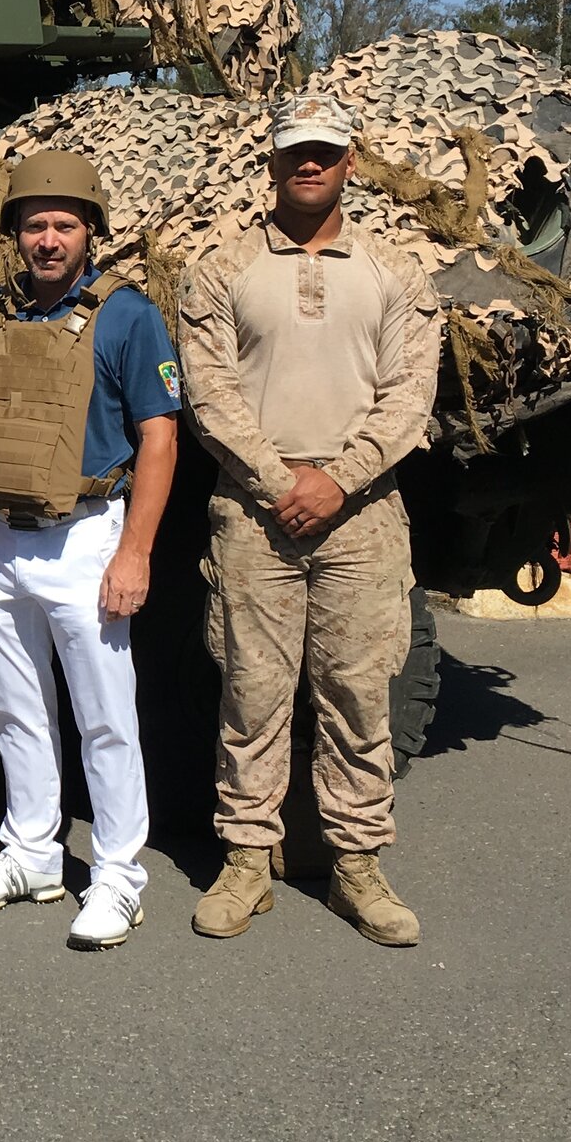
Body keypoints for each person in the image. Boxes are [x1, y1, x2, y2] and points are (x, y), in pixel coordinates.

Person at [179, 93, 441, 947]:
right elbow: (208, 390)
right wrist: (274, 476)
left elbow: (411, 396)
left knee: (358, 693)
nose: (310, 164)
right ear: (273, 161)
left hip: (361, 514)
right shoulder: (219, 267)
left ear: (349, 162)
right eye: (296, 151)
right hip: (254, 514)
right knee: (251, 693)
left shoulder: (396, 269)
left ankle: (356, 863)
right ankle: (248, 859)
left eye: (326, 151)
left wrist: (339, 478)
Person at [0, 149, 180, 951]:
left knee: (105, 718)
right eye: (34, 224)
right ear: (15, 235)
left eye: (64, 223)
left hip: (85, 536)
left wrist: (135, 551)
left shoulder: (128, 314)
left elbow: (160, 436)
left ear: (90, 231)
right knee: (13, 706)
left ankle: (118, 877)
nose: (48, 238)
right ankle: (32, 850)